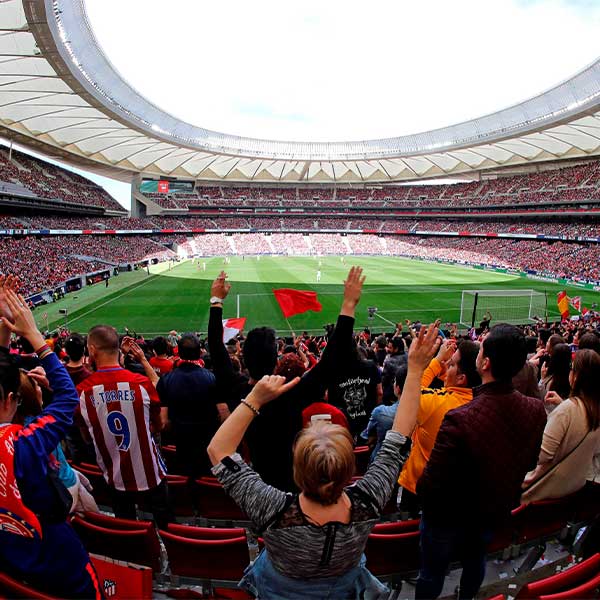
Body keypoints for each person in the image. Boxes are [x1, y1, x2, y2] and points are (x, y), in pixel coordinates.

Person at [207, 315, 442, 599]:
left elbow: (218, 450)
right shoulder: (370, 499)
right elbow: (399, 438)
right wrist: (415, 370)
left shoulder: (270, 508)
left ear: (298, 469)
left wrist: (254, 399)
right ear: (349, 470)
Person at [415, 323, 547, 600]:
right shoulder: (535, 409)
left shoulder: (460, 419)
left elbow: (428, 487)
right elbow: (529, 459)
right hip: (492, 511)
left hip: (447, 518)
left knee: (432, 573)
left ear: (484, 363)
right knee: (475, 562)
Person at [208, 268, 361, 491]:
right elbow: (332, 360)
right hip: (297, 484)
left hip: (260, 485)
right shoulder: (296, 392)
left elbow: (217, 350)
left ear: (243, 357)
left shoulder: (238, 392)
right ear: (276, 359)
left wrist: (216, 301)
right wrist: (348, 305)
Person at [0, 282, 101, 598]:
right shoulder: (26, 444)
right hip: (57, 564)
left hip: (12, 561)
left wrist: (4, 329)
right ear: (10, 400)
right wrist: (34, 337)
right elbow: (68, 396)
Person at [76, 324, 172, 527]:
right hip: (150, 473)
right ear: (118, 348)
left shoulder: (83, 392)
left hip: (114, 476)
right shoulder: (141, 384)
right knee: (165, 524)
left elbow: (86, 436)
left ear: (92, 350)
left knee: (126, 527)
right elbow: (159, 424)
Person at [398, 339, 480, 518]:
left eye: (451, 365)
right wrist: (446, 374)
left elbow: (410, 392)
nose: (447, 366)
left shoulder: (437, 404)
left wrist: (436, 362)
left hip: (418, 487)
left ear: (461, 378)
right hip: (455, 490)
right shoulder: (481, 403)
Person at [522, 349, 600, 503]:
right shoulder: (593, 409)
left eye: (572, 369)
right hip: (571, 490)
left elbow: (541, 455)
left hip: (543, 491)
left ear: (577, 376)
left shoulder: (568, 410)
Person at [157, 333, 229, 478]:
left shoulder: (166, 379)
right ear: (199, 353)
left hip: (181, 443)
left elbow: (163, 422)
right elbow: (224, 415)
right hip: (207, 443)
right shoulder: (212, 378)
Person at [361, 364, 407, 462]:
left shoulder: (380, 412)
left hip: (382, 462)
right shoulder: (427, 410)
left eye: (394, 381)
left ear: (398, 388)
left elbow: (367, 436)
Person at [381, 336, 407, 404]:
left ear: (396, 349)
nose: (387, 349)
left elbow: (384, 381)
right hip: (408, 392)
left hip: (393, 396)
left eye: (390, 348)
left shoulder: (389, 362)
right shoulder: (409, 357)